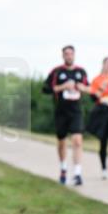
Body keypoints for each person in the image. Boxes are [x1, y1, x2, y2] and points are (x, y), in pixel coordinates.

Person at [42, 45, 90, 186]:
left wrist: (82, 88)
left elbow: (89, 88)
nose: (69, 56)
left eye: (71, 54)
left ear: (74, 55)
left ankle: (77, 173)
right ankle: (63, 169)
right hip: (61, 111)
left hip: (76, 111)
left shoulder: (81, 71)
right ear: (63, 56)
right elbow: (46, 89)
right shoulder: (57, 72)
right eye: (66, 54)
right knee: (62, 141)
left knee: (77, 140)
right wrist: (63, 87)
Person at [88, 56, 108, 180]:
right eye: (107, 63)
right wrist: (102, 88)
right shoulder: (97, 79)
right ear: (103, 64)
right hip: (102, 111)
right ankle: (103, 169)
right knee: (103, 142)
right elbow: (93, 98)